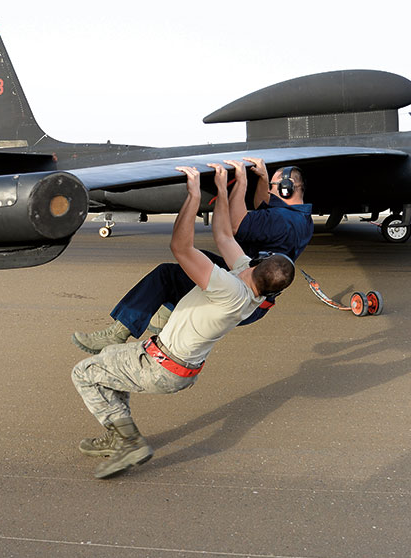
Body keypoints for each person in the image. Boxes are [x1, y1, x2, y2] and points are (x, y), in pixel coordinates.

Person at [71, 163, 296, 479]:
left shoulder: (230, 289)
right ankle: (115, 433)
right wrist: (220, 187)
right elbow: (223, 235)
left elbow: (180, 247)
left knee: (83, 374)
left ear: (257, 266)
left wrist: (192, 196)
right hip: (172, 363)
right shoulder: (253, 289)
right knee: (108, 362)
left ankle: (130, 442)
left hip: (162, 367)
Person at [71, 158, 310, 354]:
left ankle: (118, 334)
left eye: (273, 186)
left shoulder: (281, 221)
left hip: (241, 291)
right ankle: (165, 316)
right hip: (254, 289)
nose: (268, 191)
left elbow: (235, 225)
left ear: (287, 188)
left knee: (168, 275)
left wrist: (238, 183)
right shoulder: (300, 218)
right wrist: (265, 179)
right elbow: (263, 206)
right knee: (192, 267)